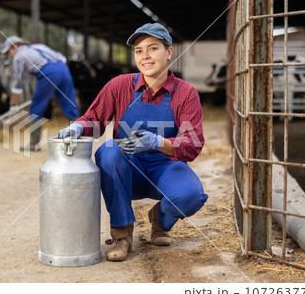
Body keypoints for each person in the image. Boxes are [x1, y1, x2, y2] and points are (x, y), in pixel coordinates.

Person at [58, 23, 208, 261]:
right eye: (139, 51)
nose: (145, 56)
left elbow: (192, 144)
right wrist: (77, 127)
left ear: (169, 52)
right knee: (109, 151)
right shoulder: (120, 85)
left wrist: (157, 142)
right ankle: (122, 235)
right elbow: (94, 121)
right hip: (128, 170)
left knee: (191, 195)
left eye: (152, 48)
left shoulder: (186, 93)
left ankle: (160, 220)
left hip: (165, 166)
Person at [2, 36, 79, 150]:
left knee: (37, 105)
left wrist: (14, 104)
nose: (9, 55)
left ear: (14, 47)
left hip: (49, 73)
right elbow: (61, 57)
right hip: (63, 68)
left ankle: (34, 144)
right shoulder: (39, 46)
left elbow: (18, 82)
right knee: (69, 102)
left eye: (8, 52)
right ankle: (77, 139)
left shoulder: (18, 57)